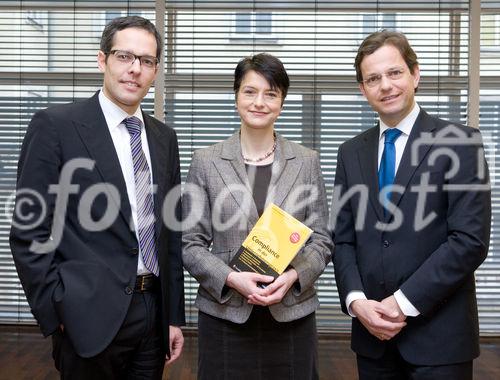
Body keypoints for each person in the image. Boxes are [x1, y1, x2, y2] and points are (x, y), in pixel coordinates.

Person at [9, 16, 185, 379]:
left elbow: (170, 235)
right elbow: (29, 231)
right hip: (85, 315)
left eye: (147, 61)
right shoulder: (55, 126)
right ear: (102, 60)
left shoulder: (164, 138)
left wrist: (173, 317)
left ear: (155, 71)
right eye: (124, 56)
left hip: (152, 315)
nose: (135, 69)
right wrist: (56, 309)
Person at [332, 29, 491, 379]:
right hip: (372, 338)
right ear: (363, 90)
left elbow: (469, 241)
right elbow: (342, 238)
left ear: (415, 74)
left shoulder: (461, 143)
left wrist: (401, 303)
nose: (385, 85)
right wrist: (357, 302)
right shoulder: (350, 152)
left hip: (440, 341)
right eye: (373, 78)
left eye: (394, 73)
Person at [182, 53, 332, 379]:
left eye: (271, 93)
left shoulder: (306, 161)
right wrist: (231, 278)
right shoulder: (206, 161)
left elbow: (321, 239)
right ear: (236, 96)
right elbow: (190, 243)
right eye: (250, 92)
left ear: (282, 101)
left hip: (291, 313)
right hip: (225, 314)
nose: (259, 102)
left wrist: (292, 276)